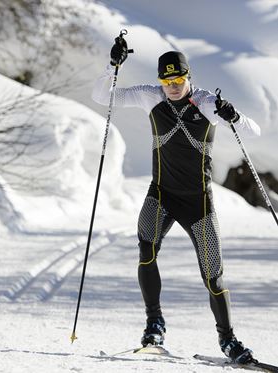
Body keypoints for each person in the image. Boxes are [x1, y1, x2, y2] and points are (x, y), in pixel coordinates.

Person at [91, 35, 262, 364]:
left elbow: (252, 131)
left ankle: (228, 341)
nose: (172, 86)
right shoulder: (149, 97)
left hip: (198, 202)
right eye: (166, 81)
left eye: (178, 80)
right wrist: (113, 66)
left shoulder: (207, 103)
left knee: (213, 274)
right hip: (161, 195)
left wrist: (233, 115)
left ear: (188, 77)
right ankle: (154, 325)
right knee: (145, 248)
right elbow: (102, 96)